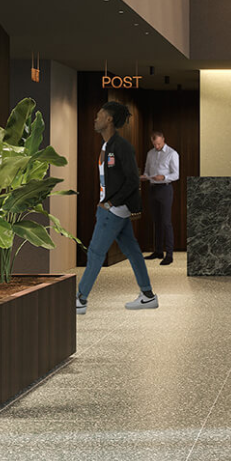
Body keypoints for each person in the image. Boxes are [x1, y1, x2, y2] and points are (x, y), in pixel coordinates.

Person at [78, 101, 156, 315]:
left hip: (113, 210)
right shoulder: (106, 146)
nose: (96, 119)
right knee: (132, 250)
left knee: (95, 252)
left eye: (99, 115)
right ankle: (148, 295)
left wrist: (111, 202)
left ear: (109, 119)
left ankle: (80, 299)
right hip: (113, 208)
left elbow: (132, 179)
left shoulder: (121, 146)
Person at [143, 130, 180, 266]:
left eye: (159, 143)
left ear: (163, 139)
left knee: (166, 222)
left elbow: (176, 174)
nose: (157, 146)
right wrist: (145, 176)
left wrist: (163, 177)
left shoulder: (172, 154)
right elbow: (147, 171)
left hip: (165, 189)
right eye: (155, 144)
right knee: (156, 222)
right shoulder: (150, 153)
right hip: (153, 189)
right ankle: (158, 251)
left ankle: (169, 254)